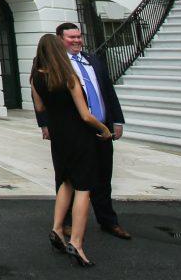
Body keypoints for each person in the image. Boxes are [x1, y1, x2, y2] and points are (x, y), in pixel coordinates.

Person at [37, 22, 130, 241]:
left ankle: (108, 221)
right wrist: (44, 124)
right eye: (72, 37)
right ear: (60, 39)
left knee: (103, 175)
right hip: (74, 130)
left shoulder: (93, 60)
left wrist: (116, 120)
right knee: (68, 177)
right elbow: (41, 96)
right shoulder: (55, 65)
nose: (77, 40)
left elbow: (107, 90)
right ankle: (66, 224)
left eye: (79, 36)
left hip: (101, 126)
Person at [30, 33, 113, 268]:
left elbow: (39, 106)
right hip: (79, 135)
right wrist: (103, 129)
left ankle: (57, 228)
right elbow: (86, 115)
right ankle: (76, 242)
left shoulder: (36, 78)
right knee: (84, 188)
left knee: (65, 181)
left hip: (58, 137)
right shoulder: (69, 77)